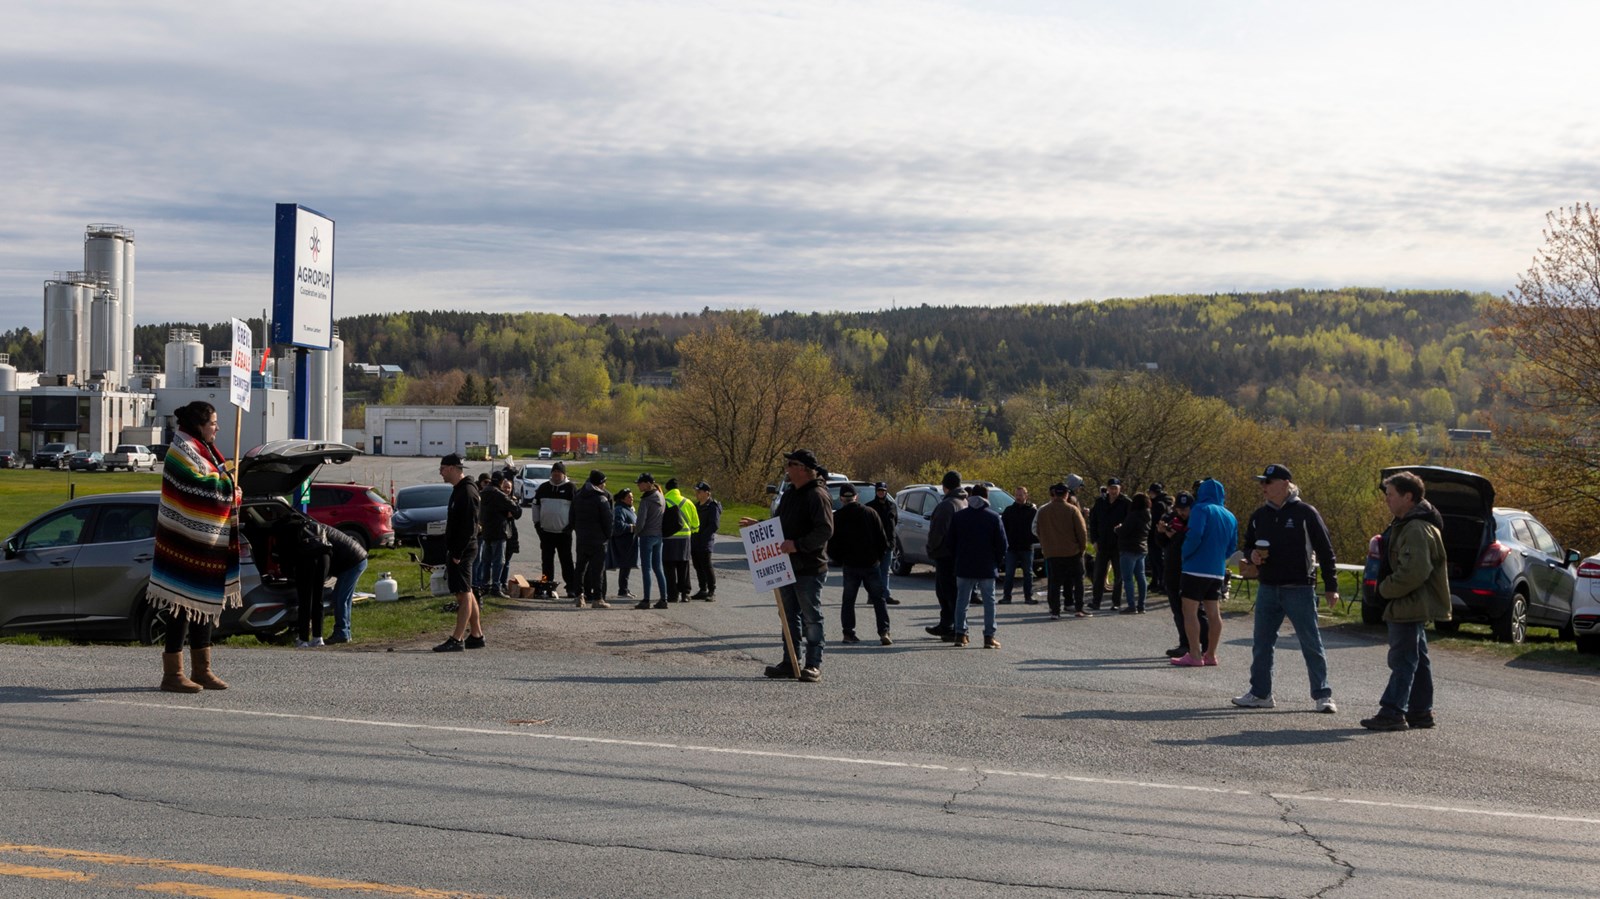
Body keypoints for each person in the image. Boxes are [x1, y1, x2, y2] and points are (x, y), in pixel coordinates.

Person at [1232, 463, 1341, 713]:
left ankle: (1323, 695)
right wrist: (1252, 556)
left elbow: (1326, 551)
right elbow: (1247, 545)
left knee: (1310, 642)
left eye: (1267, 482)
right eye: (1262, 482)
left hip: (1299, 587)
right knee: (1261, 643)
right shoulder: (1260, 515)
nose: (1263, 487)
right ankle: (1260, 693)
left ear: (1285, 484)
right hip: (1268, 587)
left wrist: (1331, 586)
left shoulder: (1306, 513)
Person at [148, 400, 238, 692]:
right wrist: (227, 489)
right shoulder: (181, 450)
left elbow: (214, 478)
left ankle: (202, 669)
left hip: (204, 541)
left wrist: (230, 486)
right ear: (199, 424)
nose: (217, 427)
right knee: (180, 607)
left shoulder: (205, 450)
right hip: (181, 542)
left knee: (203, 603)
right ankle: (172, 674)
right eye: (213, 422)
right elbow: (194, 488)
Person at [1362, 471, 1451, 731]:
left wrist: (1383, 591)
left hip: (1408, 604)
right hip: (1411, 603)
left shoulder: (1415, 528)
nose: (1386, 500)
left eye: (1391, 494)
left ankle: (1392, 712)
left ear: (1408, 496)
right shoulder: (1409, 523)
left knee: (1403, 660)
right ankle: (1421, 712)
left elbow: (1414, 572)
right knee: (1418, 659)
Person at [742, 448, 834, 683]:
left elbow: (825, 530)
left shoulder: (817, 495)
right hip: (785, 566)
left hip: (809, 567)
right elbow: (781, 524)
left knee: (811, 616)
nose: (787, 468)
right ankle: (790, 661)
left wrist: (798, 545)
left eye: (791, 464)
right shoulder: (791, 493)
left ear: (803, 469)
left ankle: (813, 664)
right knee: (787, 616)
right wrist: (761, 526)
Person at [1172, 477, 1236, 668]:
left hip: (1195, 568)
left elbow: (1195, 535)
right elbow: (1232, 546)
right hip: (1217, 570)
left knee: (1189, 612)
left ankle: (1194, 654)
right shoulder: (1230, 516)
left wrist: (1185, 554)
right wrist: (1219, 558)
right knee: (1213, 613)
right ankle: (1211, 654)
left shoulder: (1200, 509)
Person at [433, 453, 485, 652]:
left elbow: (469, 527)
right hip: (458, 549)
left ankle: (457, 639)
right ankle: (476, 634)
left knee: (463, 594)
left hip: (462, 550)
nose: (441, 472)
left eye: (443, 468)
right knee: (466, 592)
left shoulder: (467, 492)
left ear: (454, 468)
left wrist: (457, 552)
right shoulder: (459, 490)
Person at [829, 482, 891, 645]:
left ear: (842, 499)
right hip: (871, 563)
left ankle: (848, 633)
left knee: (848, 600)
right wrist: (877, 557)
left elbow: (832, 545)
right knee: (879, 599)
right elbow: (883, 541)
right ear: (856, 496)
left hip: (850, 565)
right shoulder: (870, 513)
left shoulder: (837, 517)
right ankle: (884, 631)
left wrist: (839, 560)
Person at [948, 483, 1007, 648]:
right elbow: (1002, 544)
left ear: (971, 496)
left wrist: (957, 557)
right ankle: (989, 637)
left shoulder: (959, 517)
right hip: (987, 566)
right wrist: (995, 560)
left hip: (964, 564)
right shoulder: (994, 517)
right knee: (989, 602)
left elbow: (950, 542)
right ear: (986, 497)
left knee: (962, 601)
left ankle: (960, 634)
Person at [1159, 493, 1209, 657]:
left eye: (1185, 509)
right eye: (1179, 509)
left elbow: (1195, 540)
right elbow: (1161, 543)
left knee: (1197, 610)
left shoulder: (1197, 519)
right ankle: (1185, 644)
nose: (1181, 513)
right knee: (1178, 610)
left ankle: (1206, 645)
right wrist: (1161, 532)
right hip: (1172, 568)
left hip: (1191, 569)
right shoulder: (1172, 518)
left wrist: (1176, 535)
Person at [1035, 482, 1088, 620]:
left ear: (1054, 494)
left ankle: (1055, 611)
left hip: (1052, 553)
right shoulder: (1072, 510)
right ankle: (1079, 608)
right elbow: (1081, 532)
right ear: (1066, 494)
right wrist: (1082, 548)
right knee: (1078, 581)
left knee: (1054, 583)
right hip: (1072, 552)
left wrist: (1046, 546)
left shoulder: (1043, 511)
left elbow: (1039, 531)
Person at [924, 471, 967, 638]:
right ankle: (948, 625)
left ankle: (952, 628)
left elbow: (938, 531)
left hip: (945, 554)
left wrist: (931, 548)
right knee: (953, 592)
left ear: (945, 486)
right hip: (959, 554)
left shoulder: (947, 505)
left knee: (946, 593)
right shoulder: (964, 502)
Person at [534, 461, 577, 597]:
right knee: (546, 561)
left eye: (559, 472)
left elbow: (576, 509)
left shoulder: (571, 488)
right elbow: (536, 506)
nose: (556, 474)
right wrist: (537, 524)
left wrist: (571, 526)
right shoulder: (543, 488)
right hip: (546, 532)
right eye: (554, 472)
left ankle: (571, 587)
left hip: (564, 533)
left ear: (564, 474)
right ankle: (547, 586)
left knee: (566, 561)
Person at [571, 469, 614, 608]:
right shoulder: (601, 499)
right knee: (598, 570)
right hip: (598, 540)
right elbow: (608, 521)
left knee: (580, 568)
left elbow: (571, 517)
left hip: (582, 538)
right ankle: (597, 598)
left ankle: (579, 596)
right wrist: (608, 536)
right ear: (600, 483)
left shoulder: (578, 496)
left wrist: (577, 530)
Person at [476, 470, 522, 599]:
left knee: (485, 560)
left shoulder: (483, 493)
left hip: (486, 532)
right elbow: (517, 511)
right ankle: (496, 586)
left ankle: (485, 585)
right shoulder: (500, 495)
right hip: (499, 531)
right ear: (501, 482)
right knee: (498, 561)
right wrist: (509, 511)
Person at [1088, 478, 1130, 610]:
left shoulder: (1126, 503)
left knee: (1119, 575)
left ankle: (1116, 602)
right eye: (1111, 488)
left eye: (1115, 488)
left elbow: (1131, 522)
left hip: (1119, 544)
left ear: (1120, 488)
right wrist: (1094, 540)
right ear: (1107, 489)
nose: (1113, 491)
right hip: (1102, 543)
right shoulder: (1100, 502)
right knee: (1099, 574)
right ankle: (1096, 601)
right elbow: (1093, 522)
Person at [661, 478, 700, 602]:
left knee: (669, 567)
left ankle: (672, 595)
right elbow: (696, 525)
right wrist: (691, 530)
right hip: (684, 539)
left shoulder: (664, 502)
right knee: (684, 566)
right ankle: (685, 594)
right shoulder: (688, 502)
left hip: (668, 539)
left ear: (667, 489)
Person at [633, 473, 668, 609]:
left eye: (640, 483)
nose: (638, 485)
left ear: (648, 484)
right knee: (658, 568)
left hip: (647, 536)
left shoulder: (646, 500)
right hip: (658, 535)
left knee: (646, 569)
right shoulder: (660, 496)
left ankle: (646, 599)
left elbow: (641, 522)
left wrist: (636, 533)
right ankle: (663, 598)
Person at [1000, 486, 1038, 604]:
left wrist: (1032, 539)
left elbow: (1036, 527)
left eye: (1021, 495)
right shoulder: (1009, 510)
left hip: (1027, 547)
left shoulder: (1032, 511)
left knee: (1028, 573)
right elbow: (1003, 528)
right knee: (1009, 573)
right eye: (1017, 495)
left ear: (1026, 496)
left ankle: (1028, 597)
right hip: (1012, 547)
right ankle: (1007, 596)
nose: (1018, 497)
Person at [1116, 493, 1151, 614]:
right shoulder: (1148, 515)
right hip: (1141, 548)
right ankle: (1142, 605)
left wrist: (1118, 528)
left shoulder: (1133, 515)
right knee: (1141, 577)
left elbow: (1125, 531)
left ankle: (1131, 605)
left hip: (1129, 548)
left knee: (1128, 578)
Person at [865, 481, 900, 605]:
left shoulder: (892, 506)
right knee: (874, 571)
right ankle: (872, 595)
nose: (881, 493)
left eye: (883, 491)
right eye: (879, 490)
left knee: (885, 571)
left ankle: (885, 595)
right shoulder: (870, 507)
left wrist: (891, 541)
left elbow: (894, 522)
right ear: (876, 491)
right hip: (875, 545)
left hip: (889, 544)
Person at [690, 481, 721, 600]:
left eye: (699, 491)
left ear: (707, 493)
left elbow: (714, 525)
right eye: (696, 491)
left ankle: (711, 590)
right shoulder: (696, 506)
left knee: (706, 565)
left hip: (705, 541)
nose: (697, 494)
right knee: (697, 565)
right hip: (695, 540)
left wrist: (703, 537)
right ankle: (702, 589)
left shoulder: (712, 506)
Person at [608, 487, 638, 599]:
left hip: (630, 542)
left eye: (632, 497)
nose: (631, 499)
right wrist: (632, 527)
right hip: (623, 543)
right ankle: (623, 590)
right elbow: (618, 526)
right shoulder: (620, 510)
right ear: (622, 499)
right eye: (629, 497)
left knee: (627, 567)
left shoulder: (629, 509)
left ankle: (624, 589)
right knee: (625, 566)